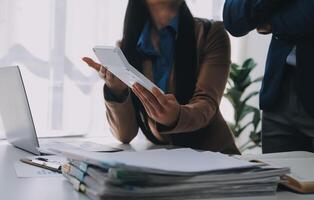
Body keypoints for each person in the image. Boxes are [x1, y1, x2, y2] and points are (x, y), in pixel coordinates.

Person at [83, 0, 239, 154]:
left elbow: (207, 104)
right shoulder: (127, 47)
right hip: (164, 162)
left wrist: (176, 116)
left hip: (214, 158)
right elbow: (125, 135)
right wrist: (116, 91)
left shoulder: (210, 33)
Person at [223, 0, 314, 153]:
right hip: (279, 90)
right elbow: (232, 19)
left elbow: (307, 15)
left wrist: (271, 23)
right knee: (279, 176)